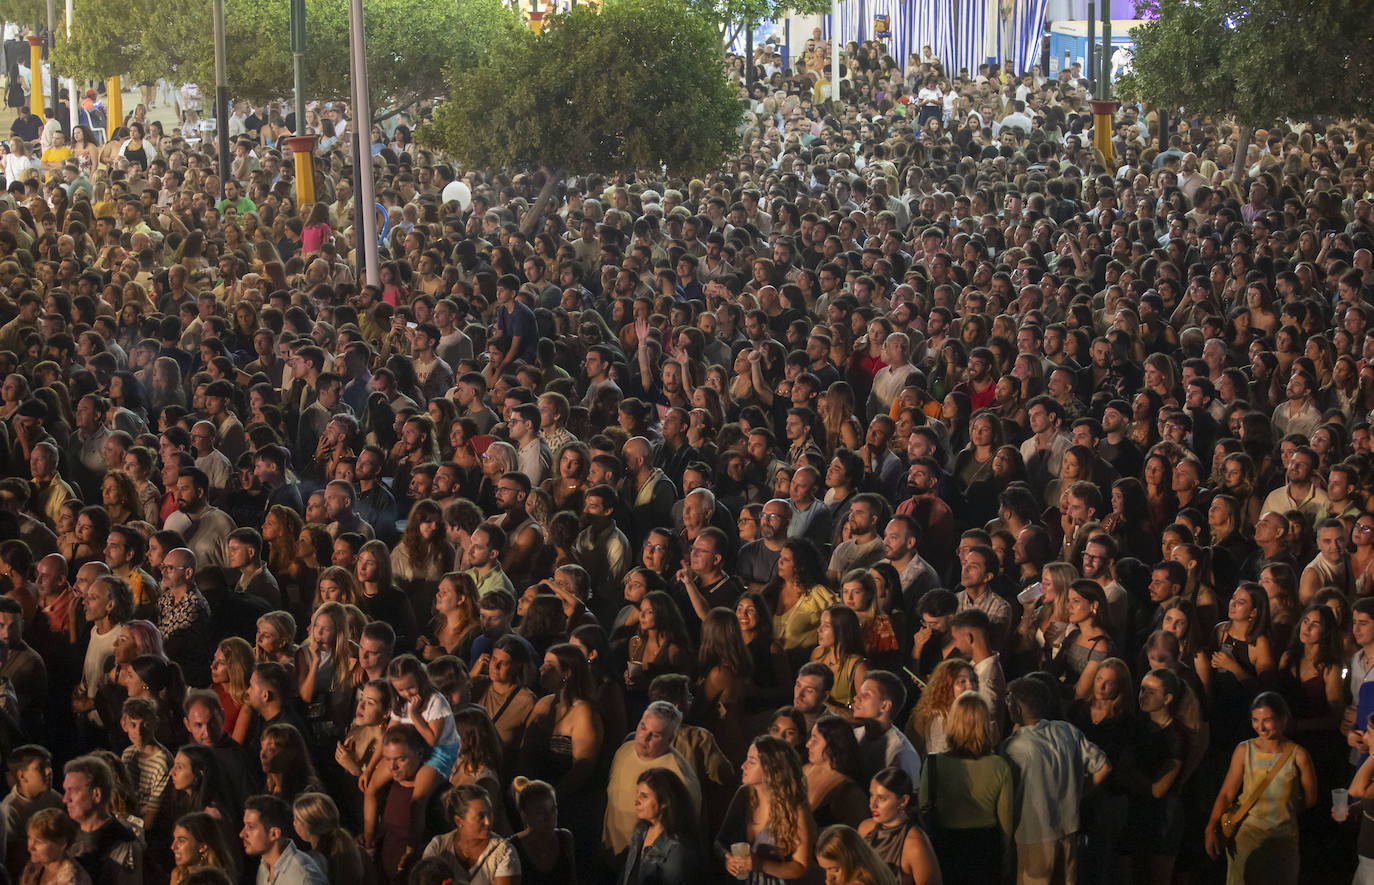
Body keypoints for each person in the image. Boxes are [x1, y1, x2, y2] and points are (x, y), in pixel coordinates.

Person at [1001, 676, 1110, 885]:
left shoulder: (1013, 746)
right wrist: (1079, 793)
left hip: (1032, 836)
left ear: (1017, 708)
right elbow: (1104, 767)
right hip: (1068, 833)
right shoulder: (1067, 730)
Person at [1205, 692, 1317, 885]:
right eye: (1256, 720)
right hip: (1247, 836)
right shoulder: (1244, 750)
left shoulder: (1299, 755)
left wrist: (1285, 810)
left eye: (1267, 720)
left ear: (1283, 719)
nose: (1261, 727)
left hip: (1283, 842)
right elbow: (1226, 793)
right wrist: (1211, 828)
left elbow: (1310, 798)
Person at [918, 692, 1012, 884]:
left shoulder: (934, 763)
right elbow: (1006, 822)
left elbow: (923, 807)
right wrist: (1006, 858)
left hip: (946, 845)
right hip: (986, 847)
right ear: (985, 724)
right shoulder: (999, 766)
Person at [716, 736, 817, 883]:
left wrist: (761, 865)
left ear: (772, 769)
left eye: (752, 762)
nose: (743, 766)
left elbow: (801, 867)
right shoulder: (743, 794)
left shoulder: (795, 809)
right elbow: (720, 841)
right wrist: (727, 858)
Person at [421, 785, 520, 885]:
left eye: (490, 813)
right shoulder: (438, 846)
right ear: (459, 821)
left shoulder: (503, 852)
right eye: (480, 817)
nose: (488, 822)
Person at [619, 767, 703, 884]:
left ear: (665, 802)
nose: (636, 801)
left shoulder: (677, 847)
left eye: (644, 796)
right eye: (637, 794)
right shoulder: (640, 830)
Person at [240, 794, 329, 885]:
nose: (241, 834)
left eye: (250, 827)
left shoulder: (303, 878)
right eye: (244, 825)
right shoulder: (264, 868)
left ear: (274, 834)